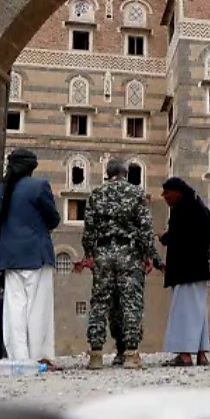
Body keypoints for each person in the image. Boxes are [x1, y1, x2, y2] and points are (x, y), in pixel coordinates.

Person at [80, 158, 161, 370]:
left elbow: (88, 229)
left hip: (103, 253)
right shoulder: (136, 193)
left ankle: (95, 355)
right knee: (131, 302)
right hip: (130, 254)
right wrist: (149, 255)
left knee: (100, 303)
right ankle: (131, 354)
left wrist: (89, 253)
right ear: (126, 173)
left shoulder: (96, 194)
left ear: (107, 174)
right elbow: (145, 228)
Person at [0, 149, 61, 362]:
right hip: (36, 254)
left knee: (14, 309)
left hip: (9, 256)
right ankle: (39, 356)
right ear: (32, 167)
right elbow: (53, 220)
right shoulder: (39, 186)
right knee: (38, 308)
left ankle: (18, 357)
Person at [158, 177, 210, 367]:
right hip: (199, 268)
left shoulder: (181, 209)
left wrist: (164, 237)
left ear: (177, 192)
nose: (164, 196)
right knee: (198, 311)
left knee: (184, 311)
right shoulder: (198, 205)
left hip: (184, 269)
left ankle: (185, 354)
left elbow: (178, 236)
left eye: (167, 192)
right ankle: (201, 354)